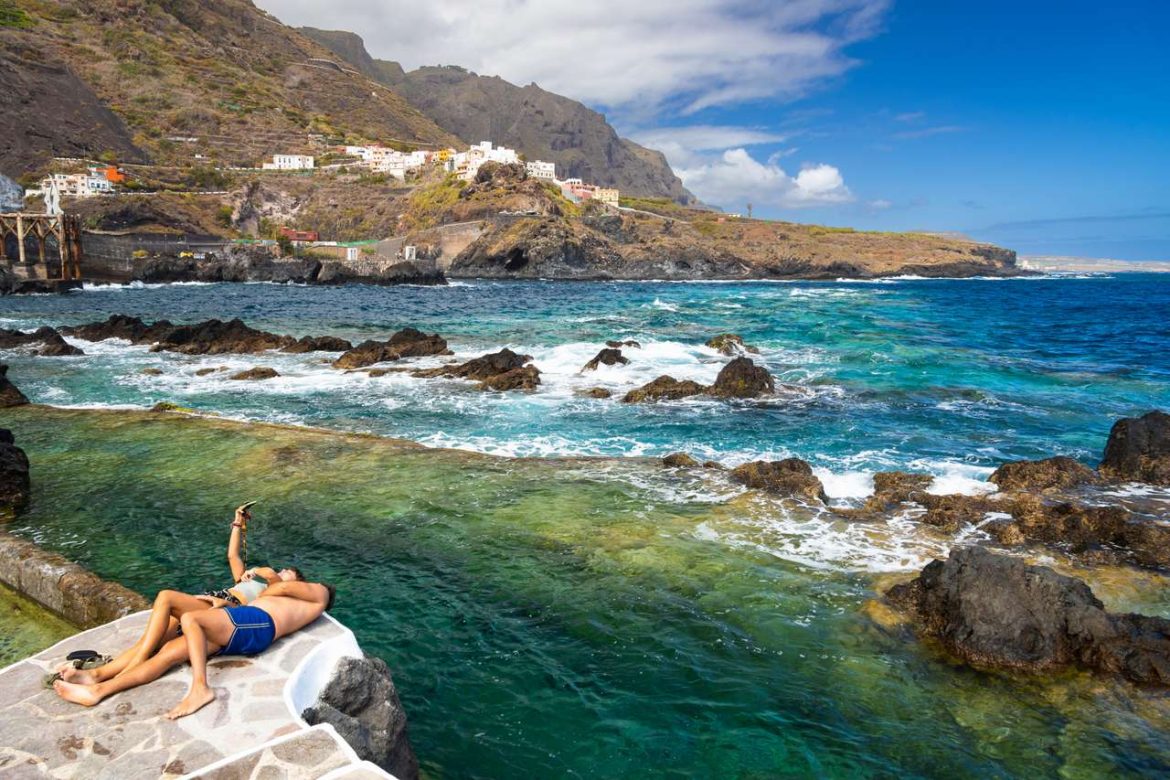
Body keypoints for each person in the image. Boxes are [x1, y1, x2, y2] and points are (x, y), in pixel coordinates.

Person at [58, 504, 303, 683]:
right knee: (150, 642)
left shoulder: (273, 594)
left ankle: (133, 665)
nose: (282, 572)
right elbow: (233, 555)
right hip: (208, 601)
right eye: (283, 570)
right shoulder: (251, 580)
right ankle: (96, 674)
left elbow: (267, 586)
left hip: (222, 610)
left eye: (288, 575)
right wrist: (237, 522)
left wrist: (261, 573)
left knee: (165, 597)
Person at [54, 576, 336, 720]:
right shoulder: (298, 602)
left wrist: (271, 583)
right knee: (168, 652)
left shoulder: (322, 592)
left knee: (191, 619)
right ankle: (98, 688)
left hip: (258, 623)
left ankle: (200, 688)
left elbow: (282, 589)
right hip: (245, 622)